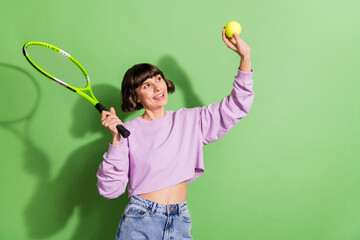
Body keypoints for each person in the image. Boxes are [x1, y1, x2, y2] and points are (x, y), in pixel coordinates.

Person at [96, 27, 254, 240]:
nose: (157, 87)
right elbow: (110, 190)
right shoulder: (128, 132)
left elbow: (236, 107)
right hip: (140, 220)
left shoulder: (190, 120)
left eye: (158, 79)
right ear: (136, 97)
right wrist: (115, 140)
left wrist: (245, 58)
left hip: (179, 220)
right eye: (147, 85)